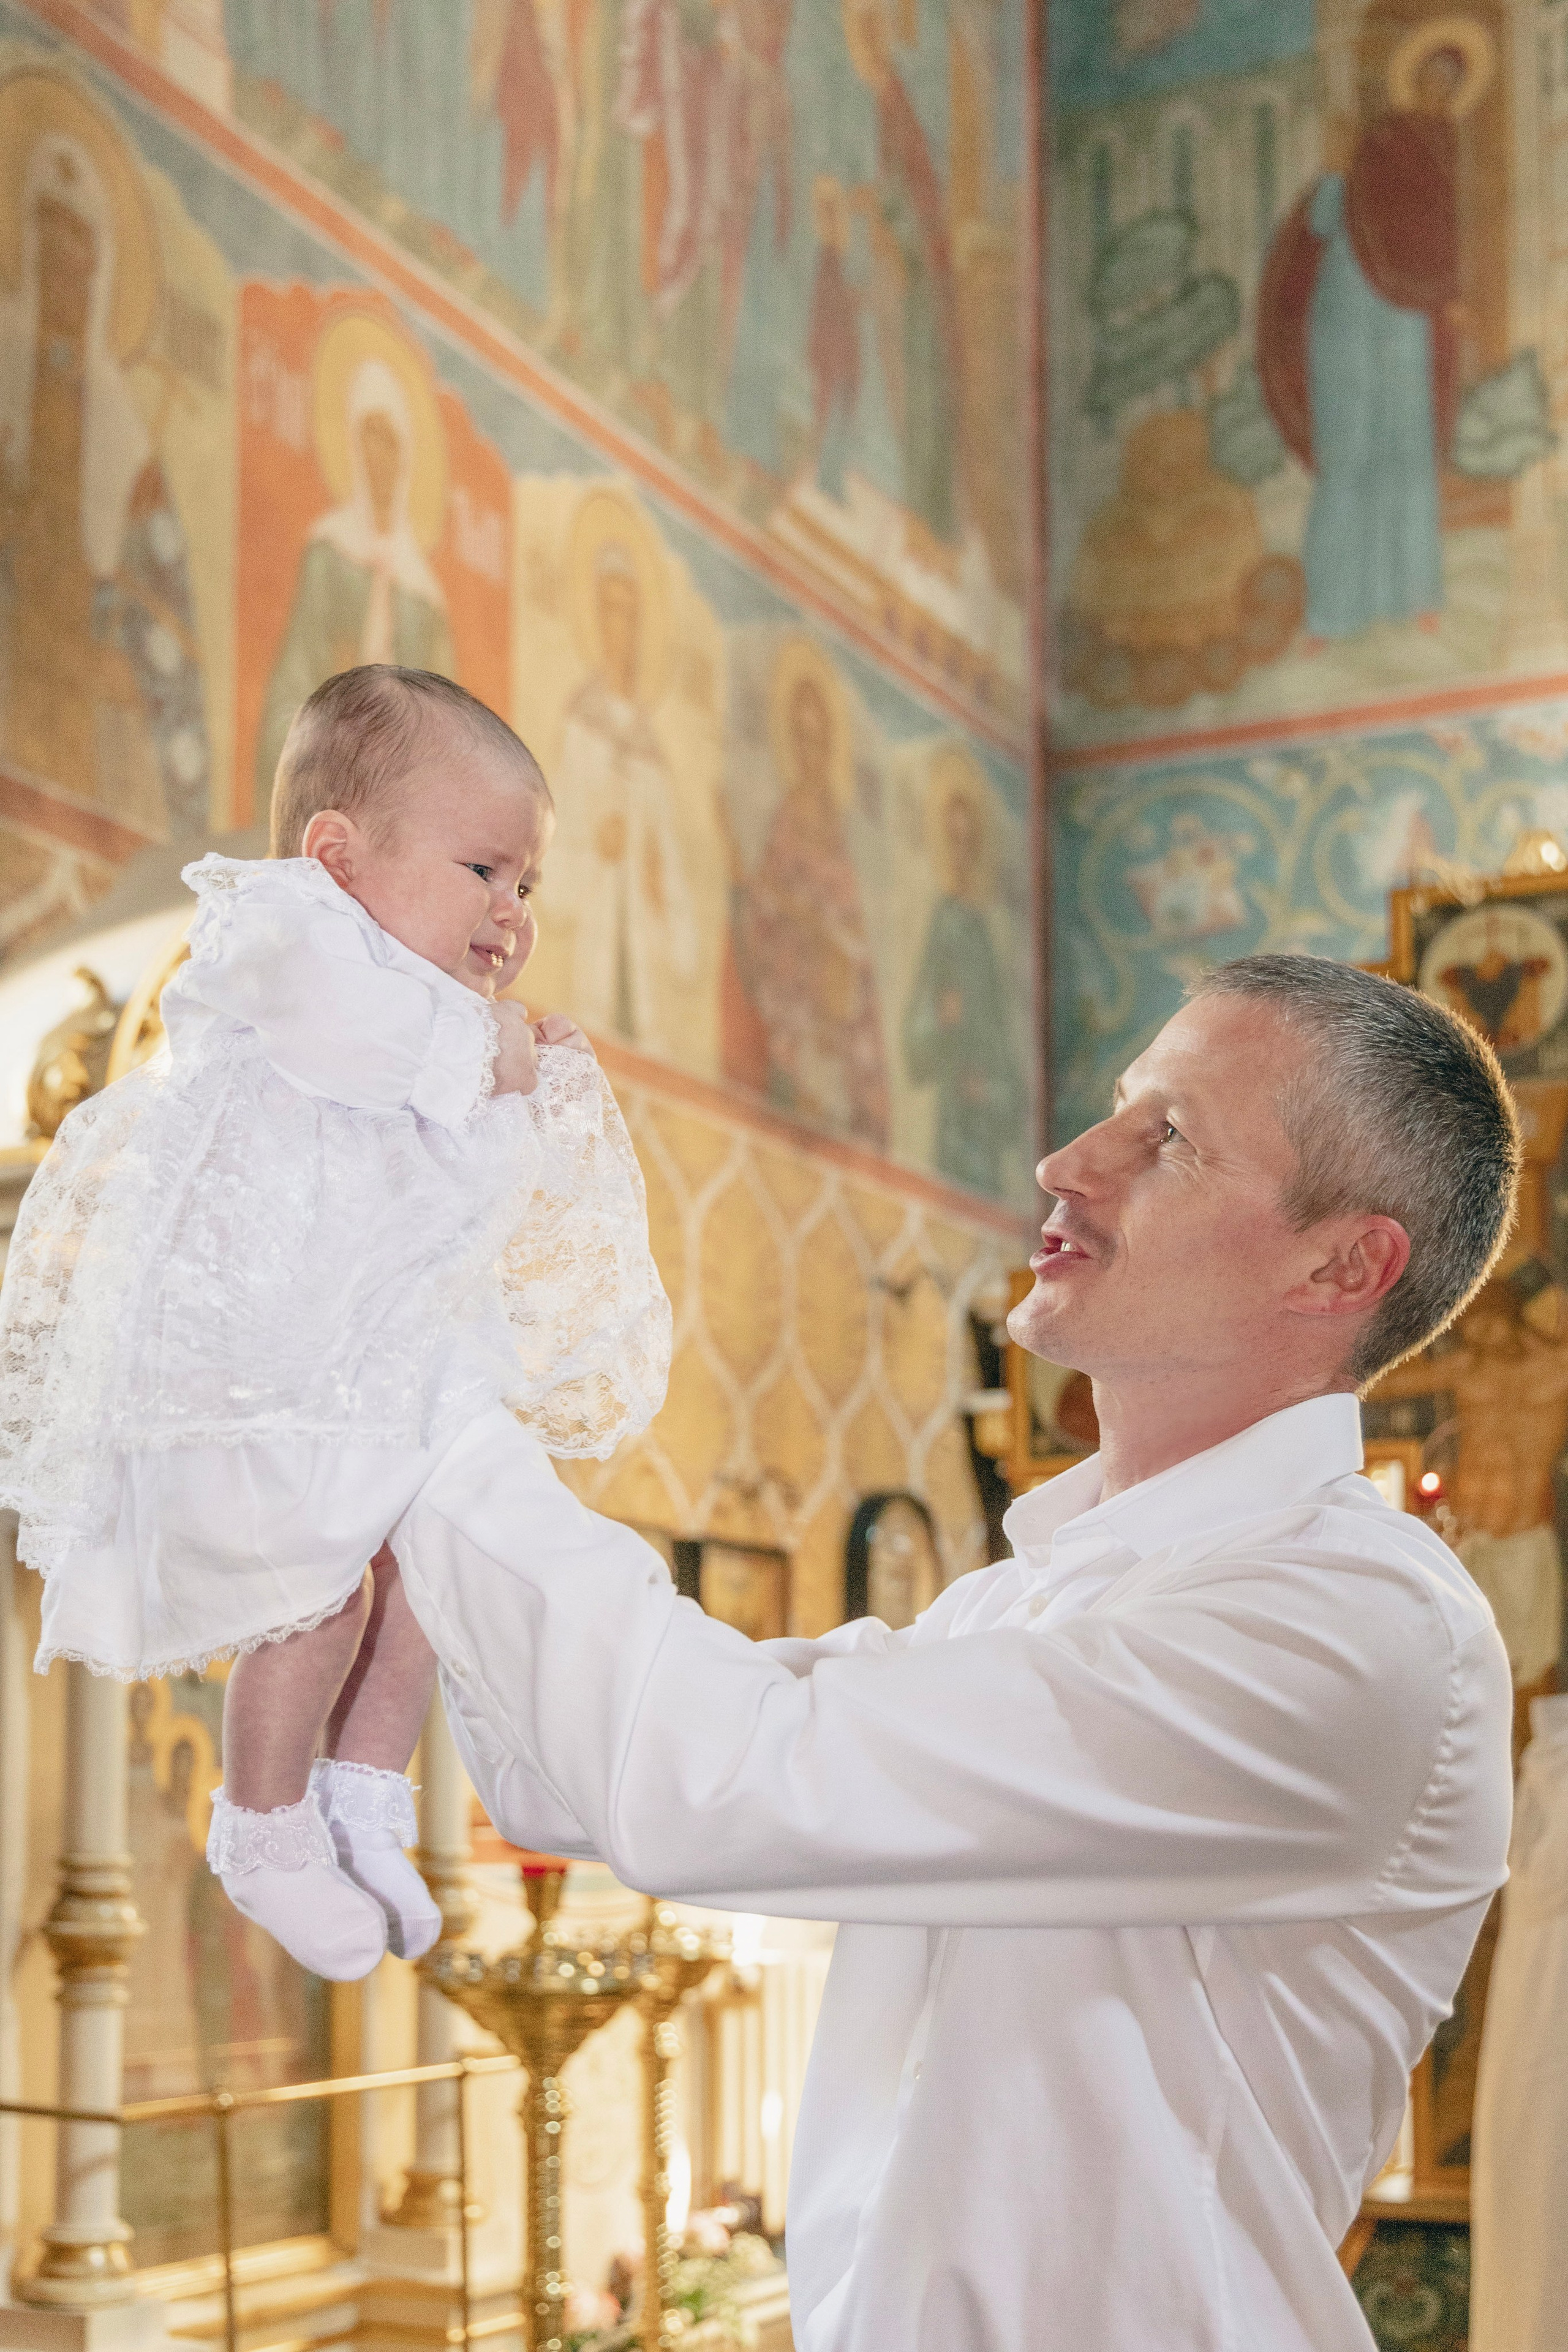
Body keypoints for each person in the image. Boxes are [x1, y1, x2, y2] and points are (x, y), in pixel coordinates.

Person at [384, 954, 1518, 2351]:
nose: (1064, 1163)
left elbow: (719, 1781)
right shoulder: (1010, 1608)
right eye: (1116, 1110)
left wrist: (416, 1404)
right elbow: (583, 1784)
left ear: (1340, 1263)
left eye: (1164, 1137)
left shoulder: (1352, 1627)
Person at [0, 665, 670, 1983]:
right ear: (335, 854)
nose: (511, 910)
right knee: (312, 1595)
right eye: (484, 868)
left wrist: (516, 1084)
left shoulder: (422, 995)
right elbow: (350, 1050)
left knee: (424, 1572)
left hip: (389, 1343)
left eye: (527, 885)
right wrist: (492, 1060)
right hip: (276, 1360)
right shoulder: (290, 934)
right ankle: (260, 1824)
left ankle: (363, 1795)